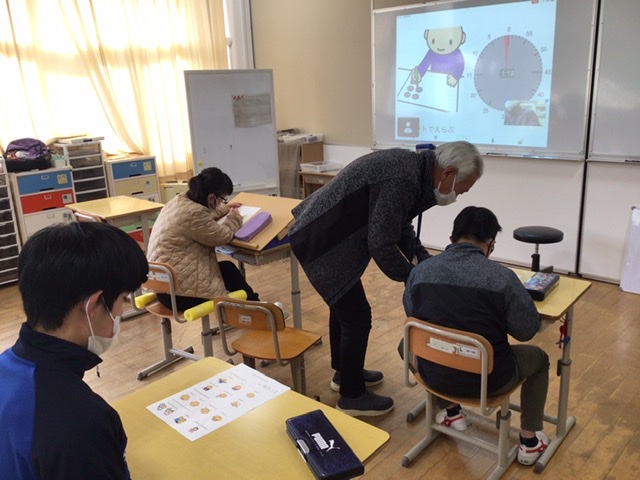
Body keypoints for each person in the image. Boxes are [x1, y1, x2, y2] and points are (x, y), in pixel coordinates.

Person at [288, 141, 484, 416]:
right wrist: (412, 277)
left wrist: (421, 257)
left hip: (329, 234)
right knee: (356, 316)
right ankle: (352, 396)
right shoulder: (403, 178)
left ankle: (346, 374)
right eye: (463, 189)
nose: (459, 195)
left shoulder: (415, 172)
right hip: (323, 239)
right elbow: (381, 243)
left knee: (344, 307)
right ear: (449, 173)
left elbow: (398, 222)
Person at [0, 221, 149, 479]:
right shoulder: (82, 424)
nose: (120, 312)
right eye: (122, 299)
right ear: (93, 305)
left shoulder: (8, 365)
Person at [402, 206, 550, 466]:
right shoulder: (503, 278)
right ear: (491, 244)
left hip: (433, 372)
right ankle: (529, 441)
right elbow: (526, 331)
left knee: (409, 342)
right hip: (490, 380)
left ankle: (450, 412)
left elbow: (412, 313)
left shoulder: (421, 271)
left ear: (452, 238)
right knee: (539, 359)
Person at [147, 167, 259, 310]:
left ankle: (251, 309)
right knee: (229, 272)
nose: (222, 203)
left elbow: (203, 215)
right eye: (223, 199)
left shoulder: (179, 201)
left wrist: (225, 208)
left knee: (227, 270)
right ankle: (258, 311)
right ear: (212, 198)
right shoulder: (194, 214)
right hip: (180, 294)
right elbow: (222, 236)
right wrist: (234, 218)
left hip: (163, 285)